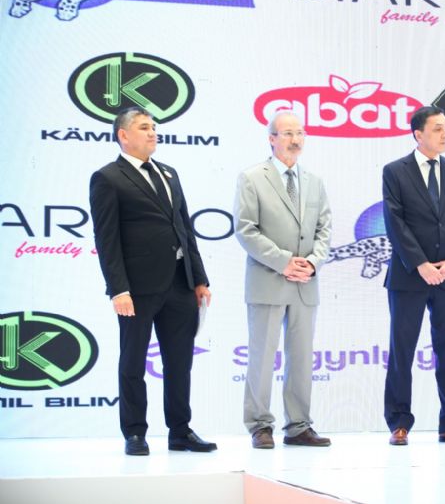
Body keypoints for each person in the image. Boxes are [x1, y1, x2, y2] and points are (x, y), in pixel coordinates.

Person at [89, 106, 215, 456]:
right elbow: (106, 239)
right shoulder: (107, 178)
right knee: (133, 361)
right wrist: (118, 289)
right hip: (137, 289)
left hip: (180, 284)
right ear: (123, 135)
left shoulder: (169, 173)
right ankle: (134, 433)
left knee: (180, 361)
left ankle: (180, 431)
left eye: (153, 127)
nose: (152, 132)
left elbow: (185, 228)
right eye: (144, 127)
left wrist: (199, 278)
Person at [234, 110, 332, 449]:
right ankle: (260, 426)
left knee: (302, 358)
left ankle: (299, 426)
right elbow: (246, 230)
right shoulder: (252, 178)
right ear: (272, 139)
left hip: (305, 283)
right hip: (268, 279)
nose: (295, 139)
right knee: (262, 357)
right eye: (288, 133)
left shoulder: (314, 181)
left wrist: (313, 263)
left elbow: (324, 229)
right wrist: (283, 262)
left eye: (300, 133)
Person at [382, 105, 445, 446]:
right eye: (438, 128)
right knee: (402, 351)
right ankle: (399, 422)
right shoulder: (395, 171)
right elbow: (395, 222)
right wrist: (420, 264)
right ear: (418, 134)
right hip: (409, 276)